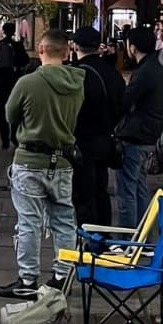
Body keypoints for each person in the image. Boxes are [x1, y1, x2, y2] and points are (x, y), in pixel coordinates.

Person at [0, 28, 84, 299]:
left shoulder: (28, 82)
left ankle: (28, 278)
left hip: (31, 159)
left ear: (41, 50)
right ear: (67, 51)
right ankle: (62, 275)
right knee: (64, 220)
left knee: (29, 222)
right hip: (64, 160)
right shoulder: (79, 82)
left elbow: (10, 114)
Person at [115, 26, 163, 227]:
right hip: (149, 133)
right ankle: (142, 236)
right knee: (139, 186)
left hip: (136, 135)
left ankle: (129, 238)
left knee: (127, 189)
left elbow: (125, 102)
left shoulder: (144, 72)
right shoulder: (156, 69)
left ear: (132, 47)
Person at [71, 27, 121, 229]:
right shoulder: (112, 72)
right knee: (101, 188)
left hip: (83, 139)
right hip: (106, 137)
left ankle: (89, 238)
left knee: (84, 192)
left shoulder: (77, 73)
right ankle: (104, 231)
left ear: (75, 46)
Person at [0, 21, 28, 149]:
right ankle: (14, 136)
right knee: (15, 108)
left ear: (3, 31)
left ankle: (4, 139)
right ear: (14, 31)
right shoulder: (17, 46)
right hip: (13, 80)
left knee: (2, 109)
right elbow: (25, 61)